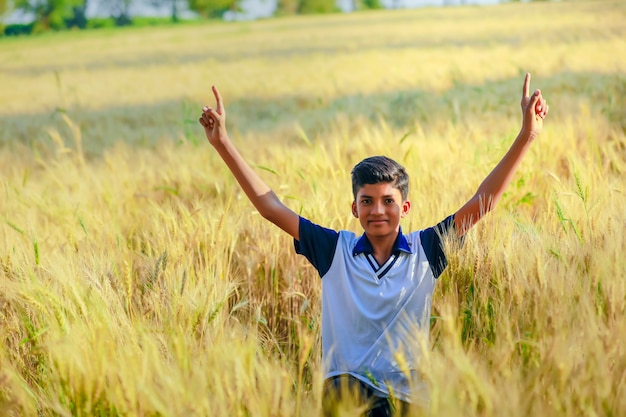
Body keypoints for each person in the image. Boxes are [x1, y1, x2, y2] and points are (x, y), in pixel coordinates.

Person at [199, 73, 549, 416]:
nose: (377, 210)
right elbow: (270, 207)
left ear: (405, 207)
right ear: (354, 208)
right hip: (345, 395)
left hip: (407, 398)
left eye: (388, 201)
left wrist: (527, 136)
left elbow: (482, 201)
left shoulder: (427, 250)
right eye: (367, 201)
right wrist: (222, 144)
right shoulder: (334, 250)